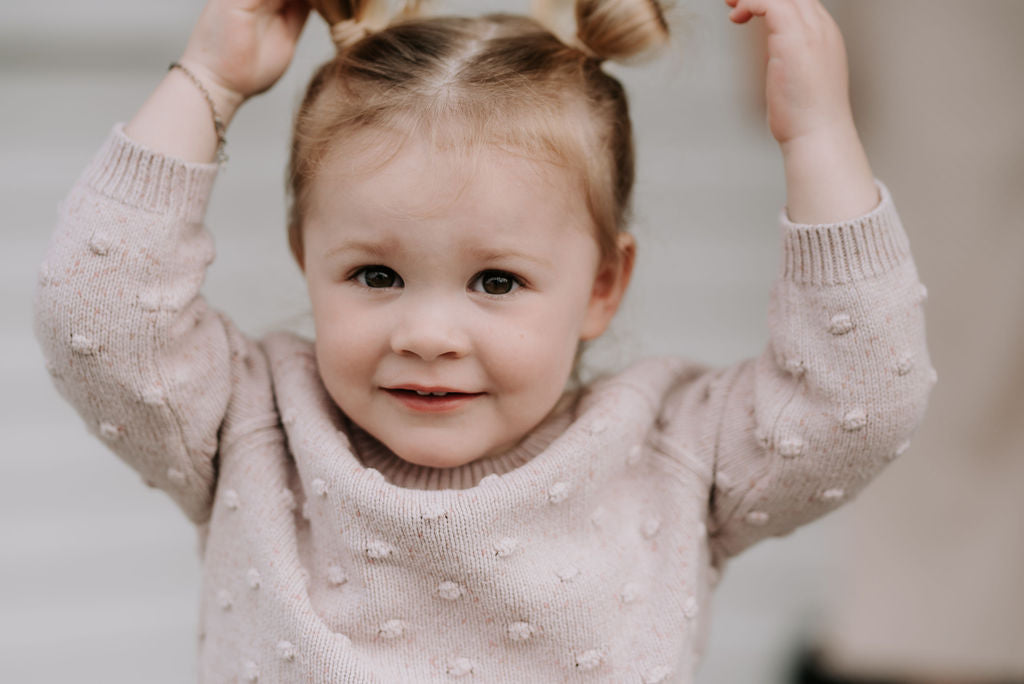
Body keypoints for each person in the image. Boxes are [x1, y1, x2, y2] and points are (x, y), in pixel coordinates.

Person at [31, 0, 934, 680]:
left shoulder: (671, 452)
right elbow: (95, 311)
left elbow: (859, 401)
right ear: (307, 258)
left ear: (602, 287)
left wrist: (819, 137)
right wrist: (209, 78)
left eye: (496, 282)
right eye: (374, 276)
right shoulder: (252, 428)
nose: (428, 334)